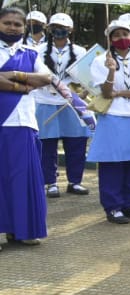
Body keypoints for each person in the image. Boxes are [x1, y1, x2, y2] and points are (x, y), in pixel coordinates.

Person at [88, 19, 130, 224]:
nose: (122, 38)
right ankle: (113, 207)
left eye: (125, 34)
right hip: (114, 118)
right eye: (116, 35)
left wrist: (121, 92)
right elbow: (107, 93)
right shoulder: (100, 62)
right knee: (112, 164)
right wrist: (110, 71)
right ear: (109, 39)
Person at [0, 6, 53, 245]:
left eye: (17, 24)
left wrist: (11, 77)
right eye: (7, 23)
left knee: (22, 177)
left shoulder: (31, 52)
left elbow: (46, 78)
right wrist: (23, 84)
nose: (12, 27)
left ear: (24, 27)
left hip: (23, 122)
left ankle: (22, 230)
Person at [34, 13, 92, 197]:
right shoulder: (38, 50)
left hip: (71, 103)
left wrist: (84, 92)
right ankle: (50, 182)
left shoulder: (81, 51)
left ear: (70, 30)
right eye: (55, 27)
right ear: (49, 29)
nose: (59, 31)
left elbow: (87, 77)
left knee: (76, 143)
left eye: (63, 28)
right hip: (45, 101)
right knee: (47, 144)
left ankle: (75, 181)